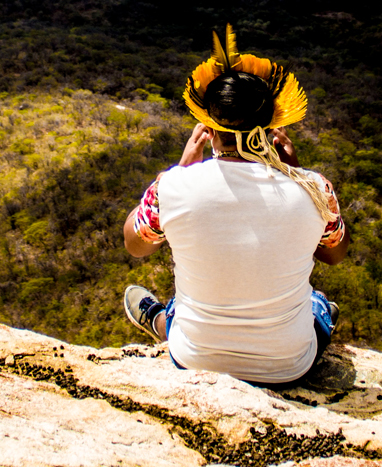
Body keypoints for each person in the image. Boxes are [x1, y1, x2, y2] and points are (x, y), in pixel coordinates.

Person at [123, 25, 349, 386]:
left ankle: (161, 319)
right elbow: (333, 255)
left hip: (194, 360)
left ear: (209, 129)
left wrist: (180, 171)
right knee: (318, 303)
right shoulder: (315, 188)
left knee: (187, 302)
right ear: (271, 129)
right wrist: (293, 172)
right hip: (289, 367)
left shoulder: (174, 186)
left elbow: (136, 245)